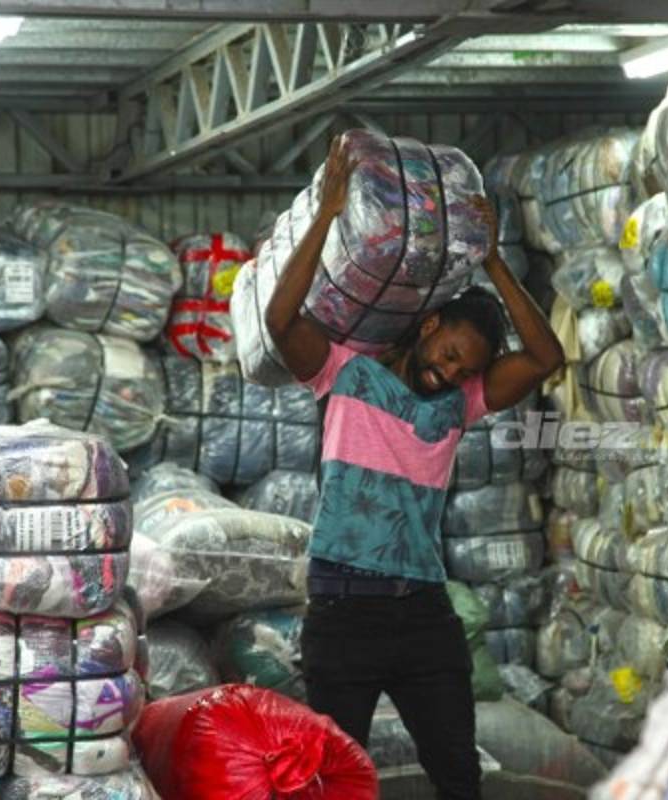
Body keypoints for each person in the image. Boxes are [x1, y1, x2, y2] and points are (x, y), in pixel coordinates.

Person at [264, 135, 564, 799]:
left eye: (467, 367)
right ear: (429, 325)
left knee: (458, 773)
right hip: (343, 609)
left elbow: (545, 358)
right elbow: (281, 318)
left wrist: (494, 266)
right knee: (331, 781)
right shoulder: (345, 374)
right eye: (451, 351)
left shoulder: (460, 405)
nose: (451, 370)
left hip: (424, 612)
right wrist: (328, 212)